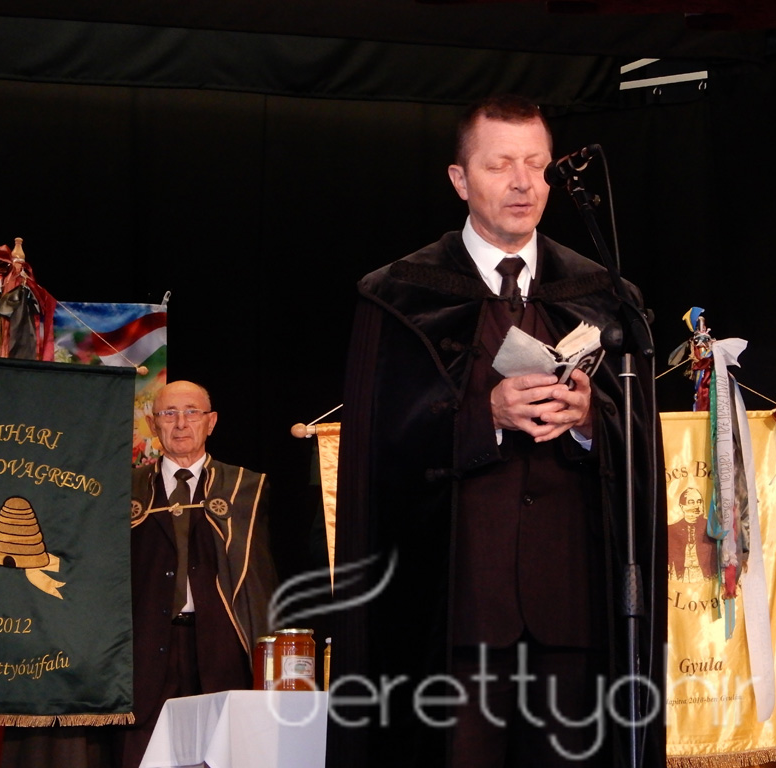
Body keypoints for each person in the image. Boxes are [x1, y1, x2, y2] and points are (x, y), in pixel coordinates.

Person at [331, 95, 664, 768]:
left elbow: (641, 453)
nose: (522, 183)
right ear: (460, 179)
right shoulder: (399, 295)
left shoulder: (604, 294)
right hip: (453, 617)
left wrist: (590, 421)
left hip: (574, 613)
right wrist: (485, 415)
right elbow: (375, 451)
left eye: (537, 165)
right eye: (500, 165)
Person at [114, 380, 278, 768]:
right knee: (141, 757)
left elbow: (259, 579)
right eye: (169, 414)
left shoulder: (246, 487)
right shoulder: (125, 489)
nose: (181, 423)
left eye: (192, 412)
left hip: (220, 650)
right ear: (153, 424)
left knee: (220, 756)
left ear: (211, 422)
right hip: (143, 653)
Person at [668, 487, 717, 582]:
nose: (696, 506)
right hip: (681, 577)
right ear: (682, 506)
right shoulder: (672, 529)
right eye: (691, 502)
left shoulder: (712, 527)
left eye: (699, 502)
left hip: (705, 577)